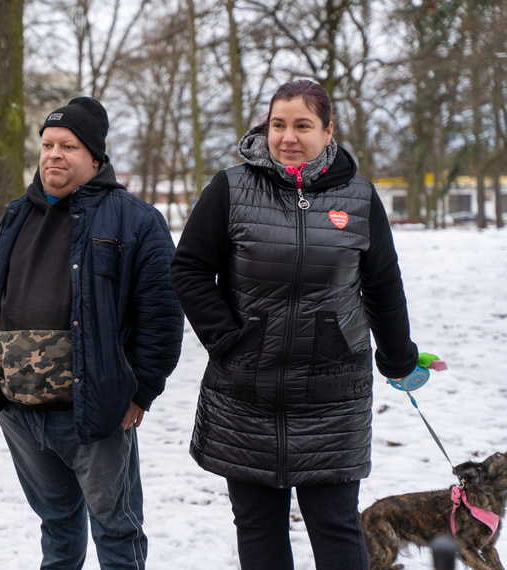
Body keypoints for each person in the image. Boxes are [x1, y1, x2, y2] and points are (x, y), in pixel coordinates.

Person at [169, 79, 421, 570]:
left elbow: (383, 285)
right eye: (277, 124)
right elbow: (189, 268)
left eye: (302, 125)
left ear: (328, 132)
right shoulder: (230, 188)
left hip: (333, 394)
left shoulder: (360, 197)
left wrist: (398, 357)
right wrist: (227, 340)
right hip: (246, 390)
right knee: (259, 528)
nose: (287, 136)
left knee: (336, 526)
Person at [0, 96, 184, 570]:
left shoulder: (135, 220)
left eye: (68, 145)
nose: (53, 154)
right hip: (21, 414)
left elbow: (163, 317)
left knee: (116, 528)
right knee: (57, 528)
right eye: (47, 144)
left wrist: (141, 392)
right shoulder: (14, 216)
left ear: (95, 157)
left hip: (94, 414)